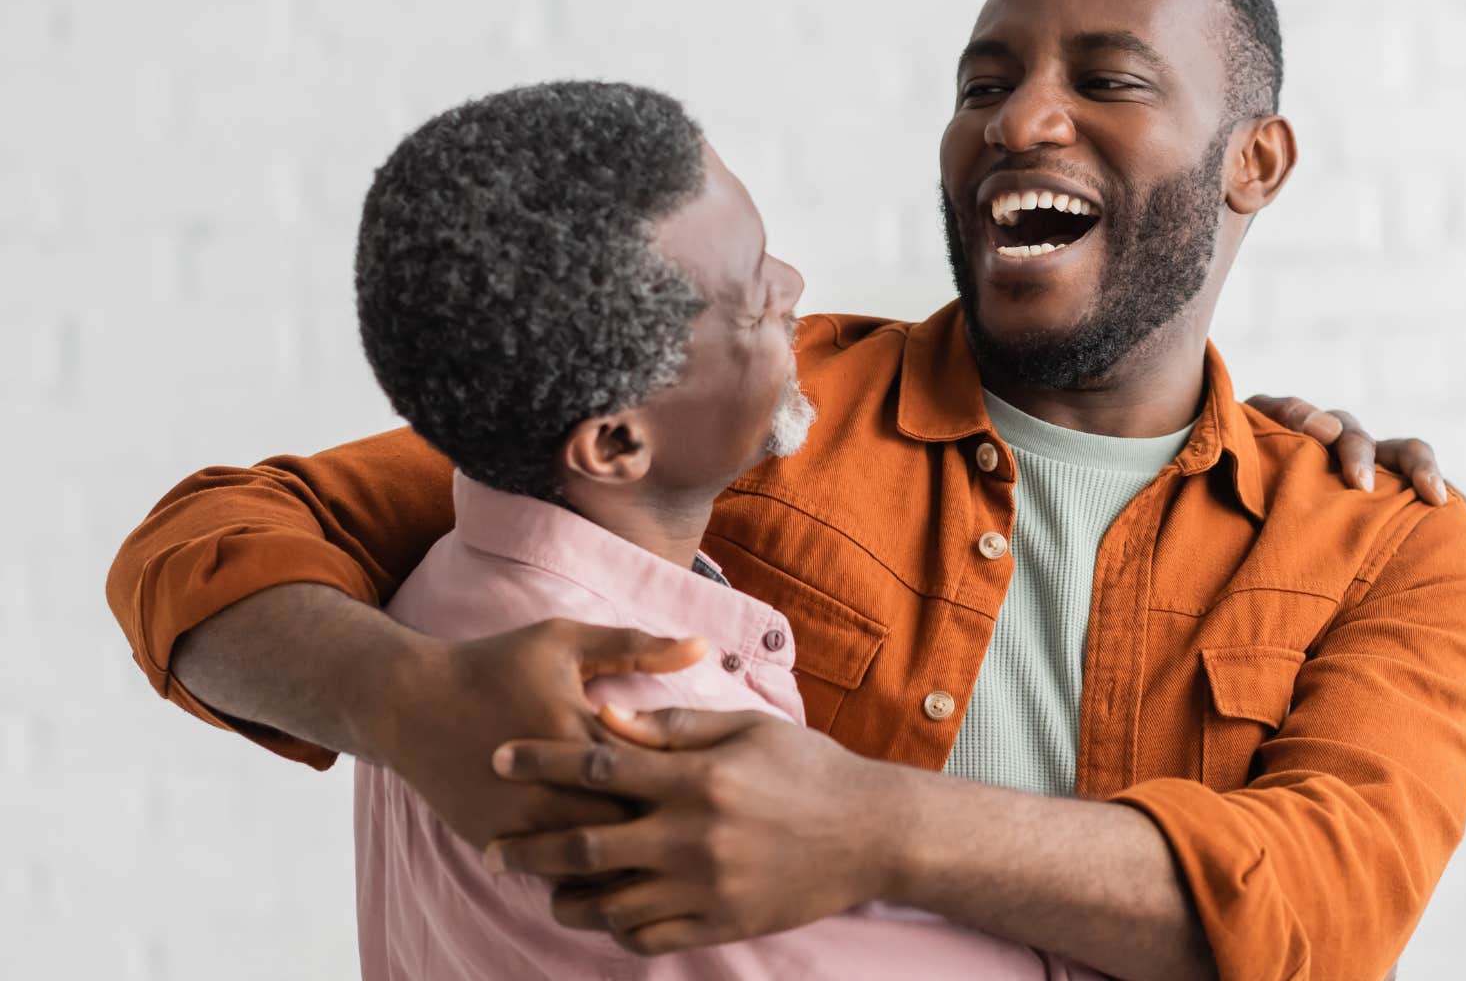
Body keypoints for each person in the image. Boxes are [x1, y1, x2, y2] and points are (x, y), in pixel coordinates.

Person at [106, 0, 1466, 980]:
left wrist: (870, 826)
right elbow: (210, 544)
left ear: (1255, 162)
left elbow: (1331, 903)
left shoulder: (1379, 531)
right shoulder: (750, 397)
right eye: (983, 81)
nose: (1016, 119)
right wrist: (408, 705)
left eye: (1108, 77)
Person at [349, 79, 1096, 979]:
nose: (793, 290)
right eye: (751, 297)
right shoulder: (654, 750)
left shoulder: (434, 601)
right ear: (619, 441)